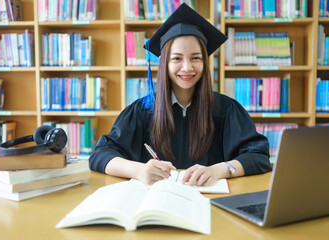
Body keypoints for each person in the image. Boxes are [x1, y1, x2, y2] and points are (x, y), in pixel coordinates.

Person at [89, 3, 272, 186]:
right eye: (177, 58)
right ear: (165, 63)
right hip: (157, 205)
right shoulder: (142, 111)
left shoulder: (225, 110)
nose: (187, 67)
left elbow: (258, 156)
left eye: (195, 58)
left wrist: (220, 169)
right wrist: (139, 170)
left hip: (210, 204)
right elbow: (101, 155)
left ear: (204, 62)